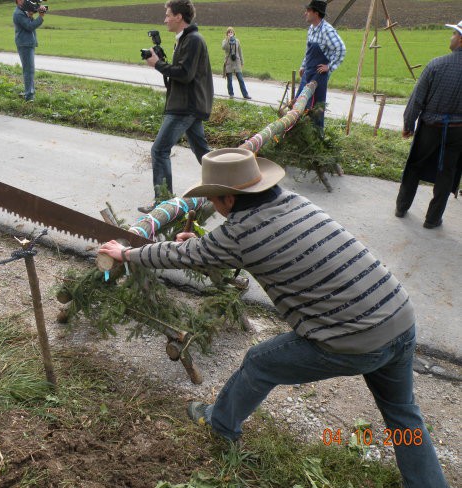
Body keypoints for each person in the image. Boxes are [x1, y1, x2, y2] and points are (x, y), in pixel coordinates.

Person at [99, 148, 450, 488]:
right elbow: (263, 250)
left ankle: (220, 423)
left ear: (230, 200)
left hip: (355, 339)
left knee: (259, 362)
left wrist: (126, 252)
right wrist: (211, 247)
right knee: (402, 412)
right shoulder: (293, 202)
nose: (214, 207)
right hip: (400, 317)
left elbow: (184, 255)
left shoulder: (240, 232)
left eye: (215, 199)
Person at [138, 0, 213, 214]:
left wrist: (158, 64)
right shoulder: (185, 39)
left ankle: (163, 203)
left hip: (185, 106)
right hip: (187, 103)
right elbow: (181, 71)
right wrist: (162, 62)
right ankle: (229, 187)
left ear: (179, 16)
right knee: (202, 151)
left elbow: (185, 74)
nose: (165, 19)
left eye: (168, 15)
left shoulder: (193, 40)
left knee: (159, 150)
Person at [394, 20, 462, 229]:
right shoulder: (437, 65)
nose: (450, 37)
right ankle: (432, 219)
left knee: (415, 165)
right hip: (458, 131)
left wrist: (408, 124)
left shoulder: (436, 65)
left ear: (460, 39)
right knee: (447, 172)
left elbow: (417, 100)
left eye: (453, 34)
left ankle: (402, 207)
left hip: (431, 128)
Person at [297, 0, 345, 135]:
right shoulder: (311, 29)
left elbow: (341, 49)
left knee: (316, 108)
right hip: (308, 73)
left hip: (319, 75)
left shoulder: (327, 30)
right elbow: (308, 51)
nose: (305, 13)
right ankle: (300, 134)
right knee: (299, 104)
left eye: (308, 11)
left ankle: (317, 137)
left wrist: (329, 67)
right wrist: (303, 66)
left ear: (316, 13)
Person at [13, 0, 47, 102]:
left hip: (27, 43)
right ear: (18, 1)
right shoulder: (18, 13)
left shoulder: (23, 11)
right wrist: (40, 16)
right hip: (24, 44)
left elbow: (30, 23)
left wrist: (31, 14)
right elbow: (30, 26)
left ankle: (28, 93)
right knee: (29, 71)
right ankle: (29, 96)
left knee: (29, 70)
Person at [221, 27, 251, 100]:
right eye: (229, 32)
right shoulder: (225, 41)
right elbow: (223, 48)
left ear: (234, 33)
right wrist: (228, 40)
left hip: (237, 62)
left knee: (240, 78)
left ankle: (245, 94)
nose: (230, 33)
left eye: (231, 32)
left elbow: (240, 51)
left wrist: (242, 62)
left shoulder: (237, 41)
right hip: (229, 62)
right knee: (230, 79)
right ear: (227, 34)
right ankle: (231, 94)